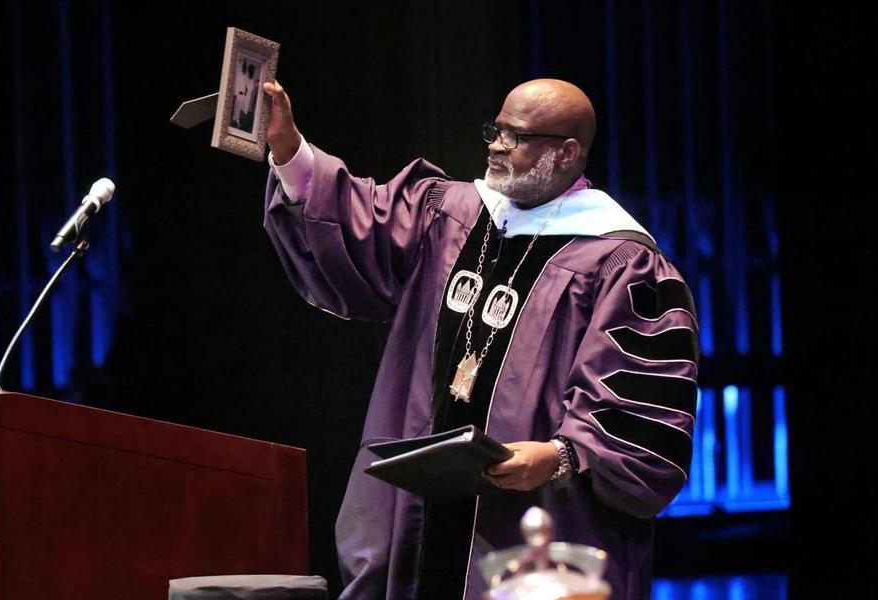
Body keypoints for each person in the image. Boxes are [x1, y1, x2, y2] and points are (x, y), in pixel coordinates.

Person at [261, 78, 699, 600]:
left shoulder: (619, 263)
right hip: (416, 515)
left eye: (516, 136)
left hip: (534, 519)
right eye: (496, 129)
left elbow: (639, 407)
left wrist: (561, 453)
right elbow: (358, 223)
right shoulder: (449, 211)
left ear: (566, 152)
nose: (495, 145)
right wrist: (289, 151)